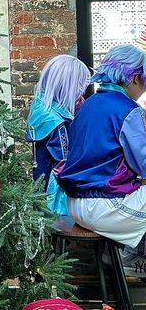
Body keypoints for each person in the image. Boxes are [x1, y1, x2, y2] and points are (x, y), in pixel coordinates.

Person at [58, 45, 146, 258]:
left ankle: (125, 256)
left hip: (75, 204)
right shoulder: (128, 111)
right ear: (135, 78)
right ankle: (130, 258)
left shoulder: (88, 105)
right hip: (104, 206)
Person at [26, 54, 91, 195]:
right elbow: (65, 164)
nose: (82, 94)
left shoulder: (41, 108)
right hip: (56, 194)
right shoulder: (56, 122)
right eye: (80, 88)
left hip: (40, 185)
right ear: (68, 87)